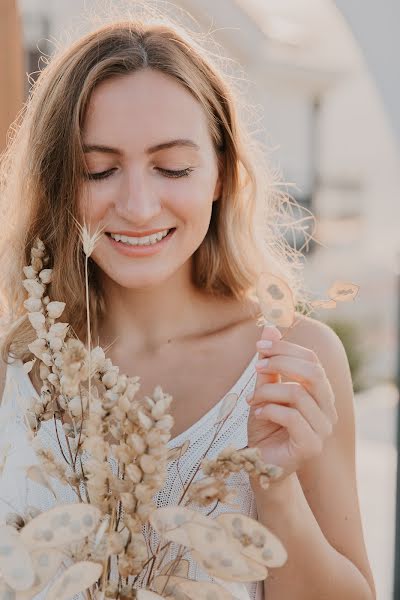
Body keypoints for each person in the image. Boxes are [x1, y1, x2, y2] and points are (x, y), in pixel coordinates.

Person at [0, 13, 375, 600]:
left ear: (222, 173)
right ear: (57, 181)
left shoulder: (294, 362)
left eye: (172, 167)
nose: (140, 205)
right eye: (99, 170)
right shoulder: (13, 365)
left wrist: (275, 489)